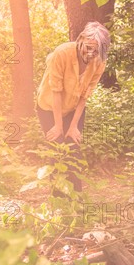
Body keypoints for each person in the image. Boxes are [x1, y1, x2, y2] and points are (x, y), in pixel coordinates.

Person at [35, 21, 111, 196]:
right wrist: (59, 126)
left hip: (74, 108)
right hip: (49, 107)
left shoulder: (99, 62)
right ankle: (59, 201)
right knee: (57, 149)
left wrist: (73, 126)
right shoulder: (62, 53)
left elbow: (84, 96)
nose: (91, 53)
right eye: (89, 47)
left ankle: (75, 200)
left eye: (96, 50)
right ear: (81, 39)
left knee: (73, 150)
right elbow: (56, 91)